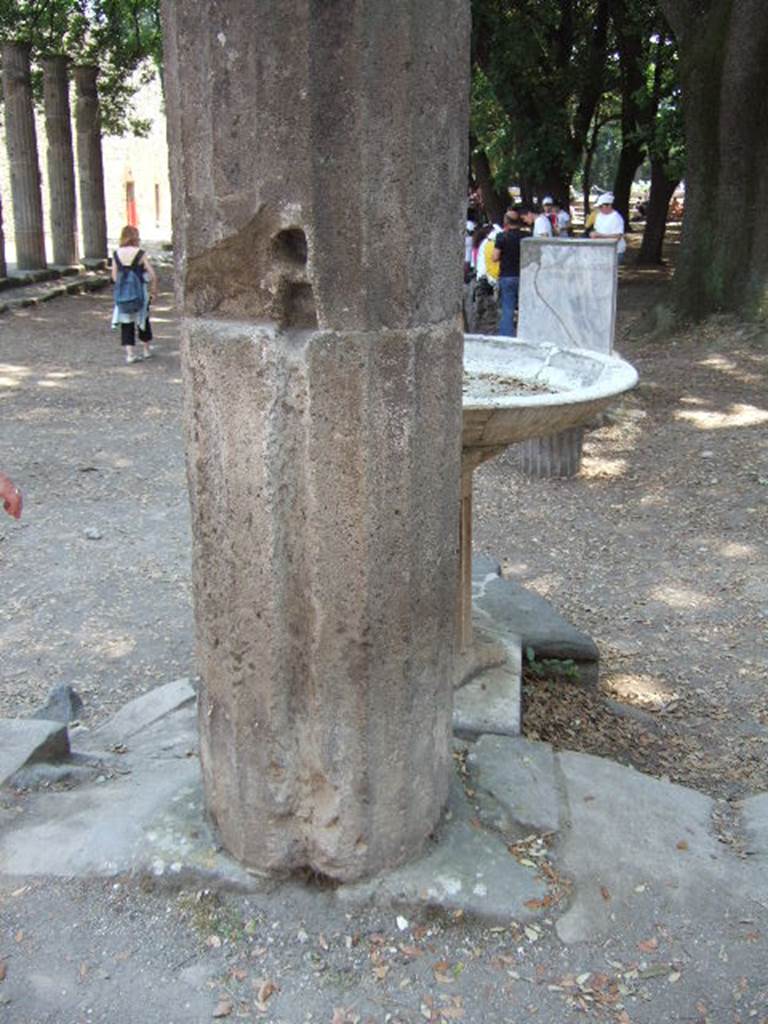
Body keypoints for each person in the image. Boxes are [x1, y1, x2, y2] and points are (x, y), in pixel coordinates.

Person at [111, 225, 158, 364]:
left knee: (126, 321)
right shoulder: (140, 253)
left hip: (123, 292)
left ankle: (130, 354)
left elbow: (114, 276)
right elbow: (153, 274)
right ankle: (146, 349)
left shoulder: (116, 253)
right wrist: (153, 290)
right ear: (135, 237)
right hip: (140, 291)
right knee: (143, 318)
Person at [492, 210, 525, 337]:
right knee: (524, 306)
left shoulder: (501, 236)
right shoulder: (525, 236)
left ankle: (506, 336)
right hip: (523, 275)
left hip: (507, 275)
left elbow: (495, 257)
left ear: (506, 221)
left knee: (508, 307)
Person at [592, 192, 626, 262]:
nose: (600, 209)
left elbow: (617, 237)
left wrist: (600, 235)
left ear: (609, 205)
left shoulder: (616, 217)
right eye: (599, 207)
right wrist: (593, 234)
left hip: (615, 251)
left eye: (601, 206)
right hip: (602, 250)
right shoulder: (599, 216)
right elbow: (596, 230)